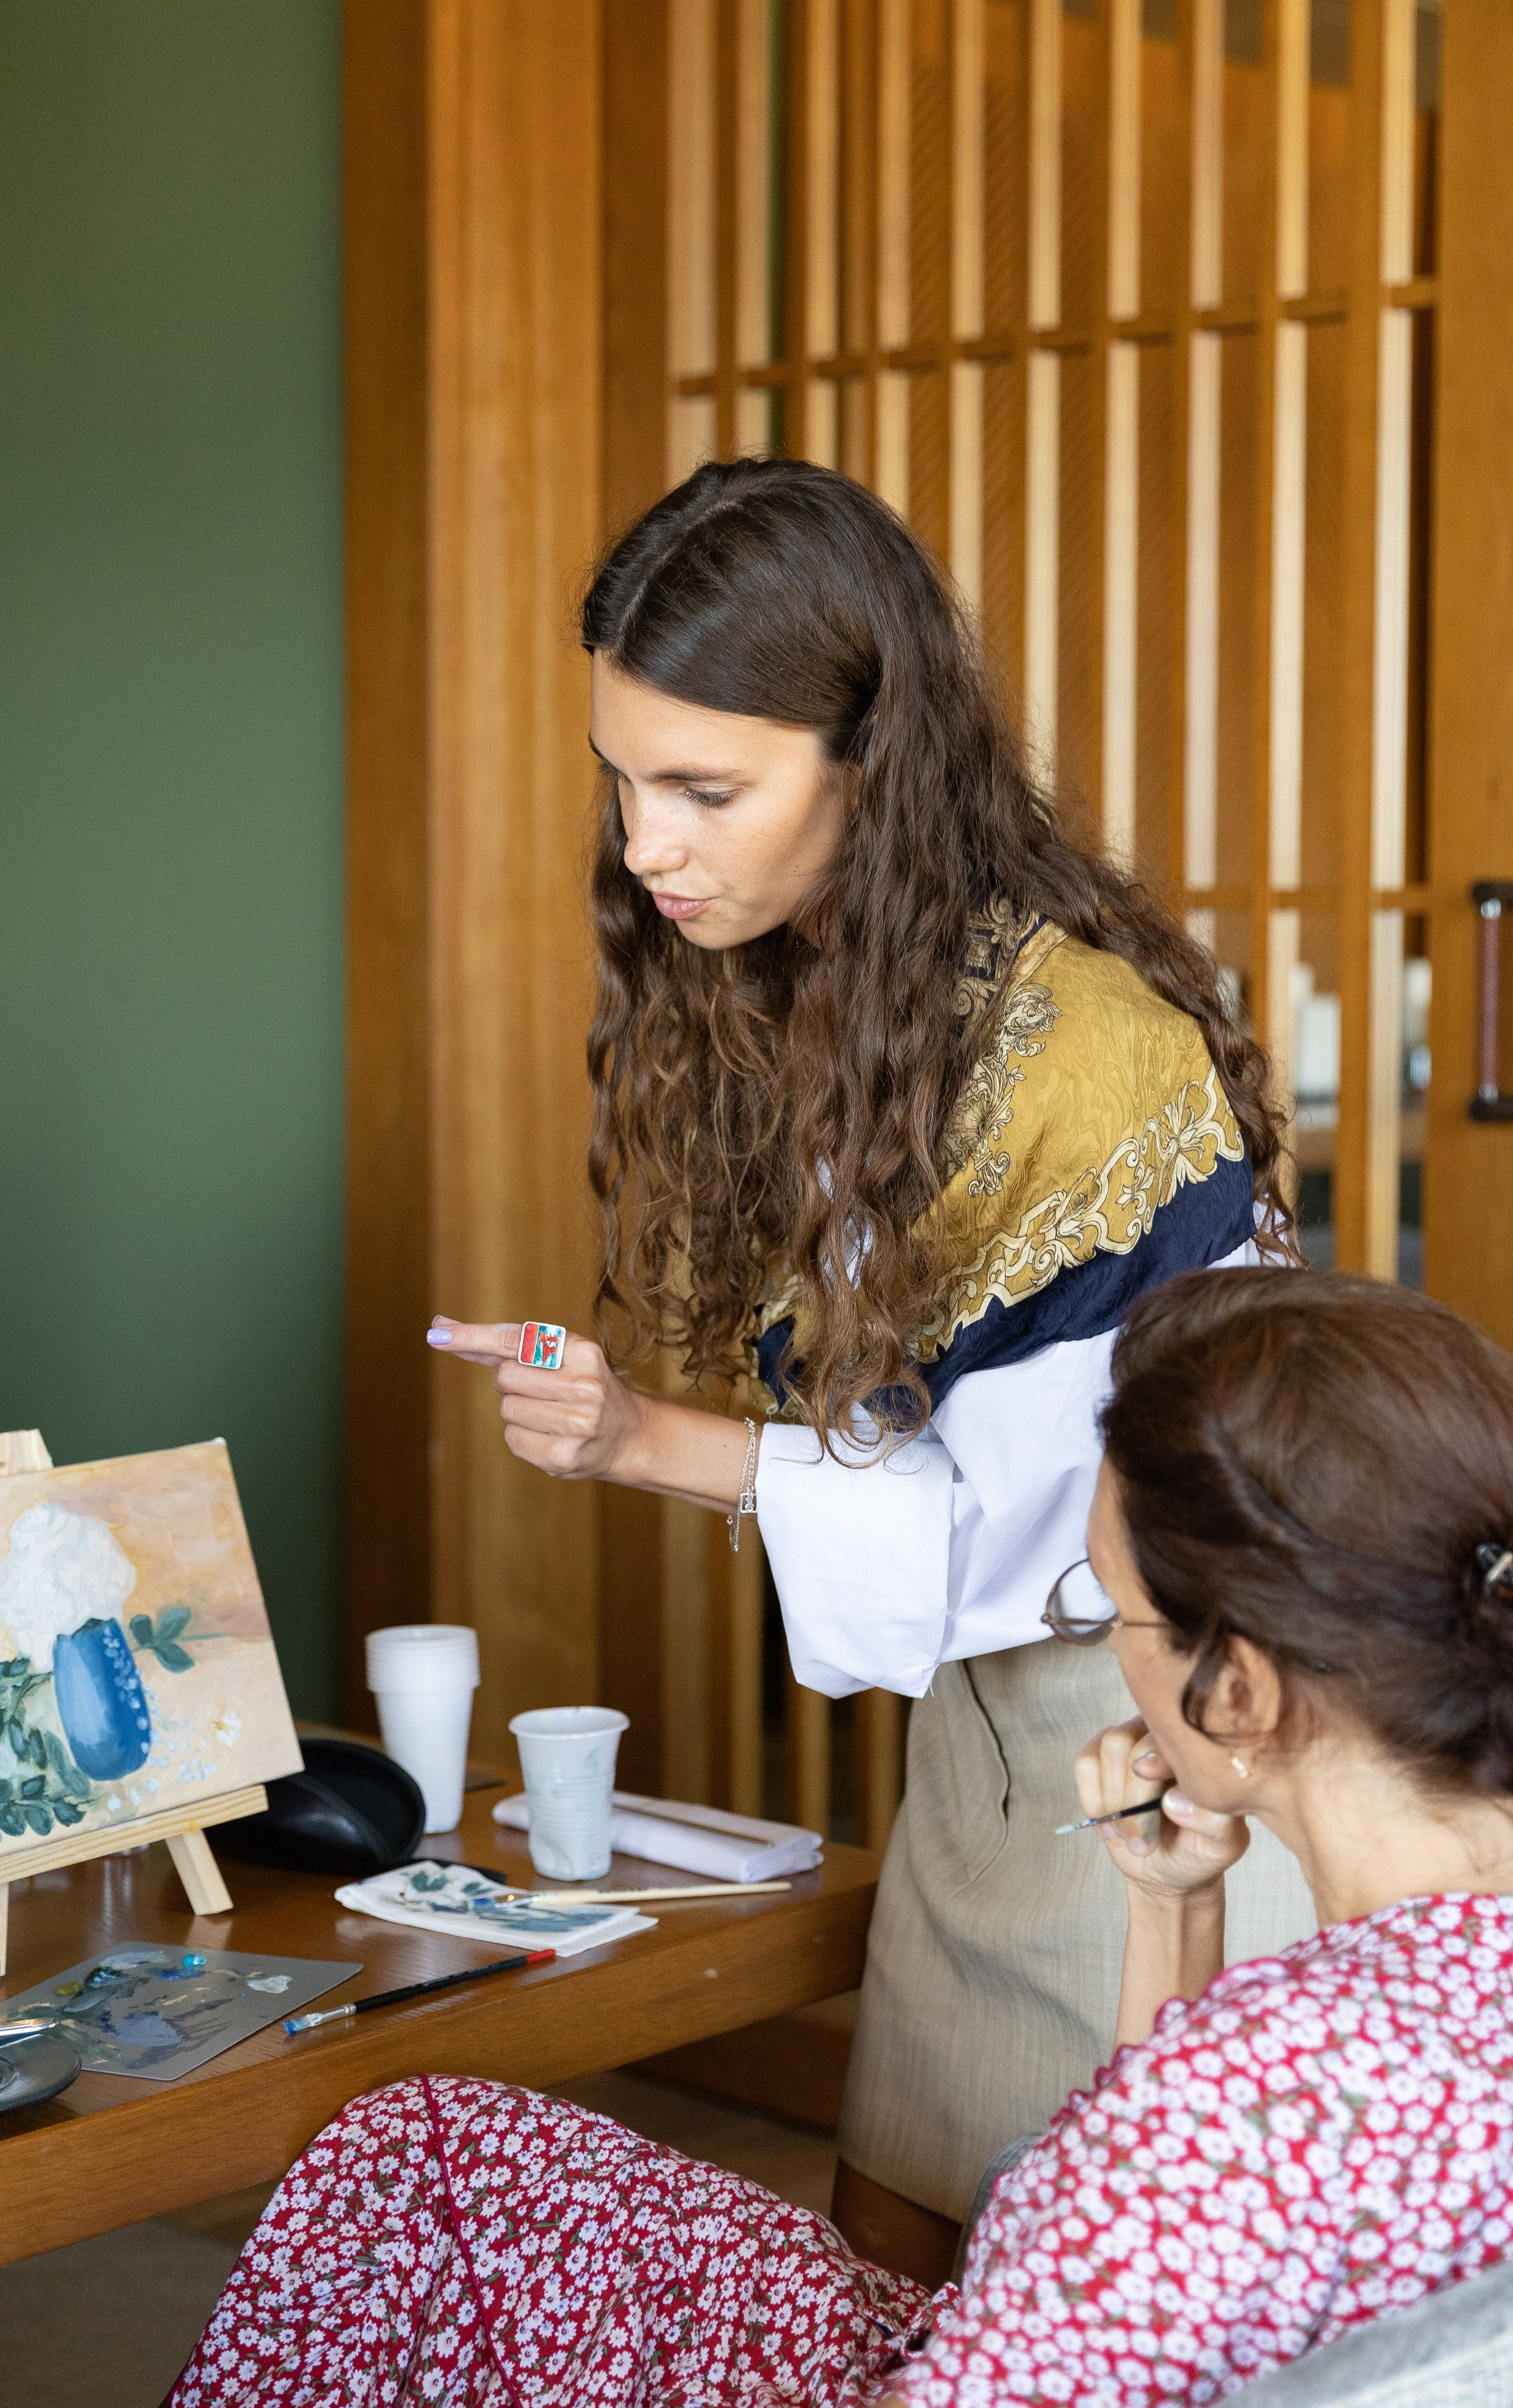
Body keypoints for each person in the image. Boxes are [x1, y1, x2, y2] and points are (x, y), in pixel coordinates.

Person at [74, 1269, 1513, 2408]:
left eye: (1105, 1609)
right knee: (430, 2146)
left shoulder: (1226, 2112)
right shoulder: (1379, 2015)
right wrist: (1170, 1910)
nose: (1106, 1649)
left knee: (416, 2258)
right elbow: (1199, 2278)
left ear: (1241, 1687)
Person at [425, 457, 1312, 2270]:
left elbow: (1011, 1537)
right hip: (981, 1760)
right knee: (877, 2292)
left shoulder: (1089, 1056)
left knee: (1083, 2348)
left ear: (874, 764)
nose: (645, 844)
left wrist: (644, 1439)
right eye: (622, 781)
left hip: (1169, 1773)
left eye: (704, 789)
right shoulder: (841, 1004)